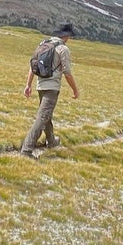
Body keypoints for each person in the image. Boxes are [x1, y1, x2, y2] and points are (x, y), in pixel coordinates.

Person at [20, 23, 79, 159]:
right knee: (42, 117)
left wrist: (28, 85)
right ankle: (26, 150)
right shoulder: (62, 49)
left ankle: (51, 141)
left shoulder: (43, 44)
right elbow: (67, 73)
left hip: (40, 85)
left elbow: (32, 65)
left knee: (46, 115)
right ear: (67, 36)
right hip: (52, 87)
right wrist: (75, 90)